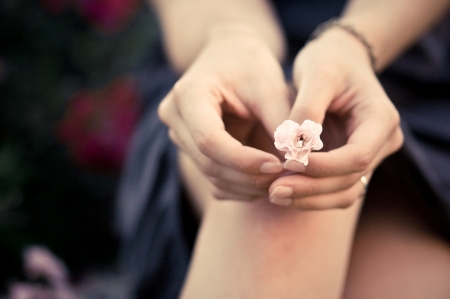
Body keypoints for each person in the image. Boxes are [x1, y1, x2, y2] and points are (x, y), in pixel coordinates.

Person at [116, 0, 450, 298]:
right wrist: (232, 39)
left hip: (418, 85)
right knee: (286, 178)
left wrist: (354, 43)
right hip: (219, 78)